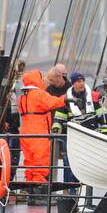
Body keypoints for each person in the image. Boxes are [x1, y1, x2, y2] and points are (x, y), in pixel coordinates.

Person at [18, 69, 68, 204]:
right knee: (41, 162)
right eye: (41, 78)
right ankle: (39, 197)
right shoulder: (38, 94)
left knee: (30, 162)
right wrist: (68, 97)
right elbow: (55, 102)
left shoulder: (23, 95)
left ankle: (31, 193)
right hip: (37, 131)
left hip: (25, 131)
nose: (43, 80)